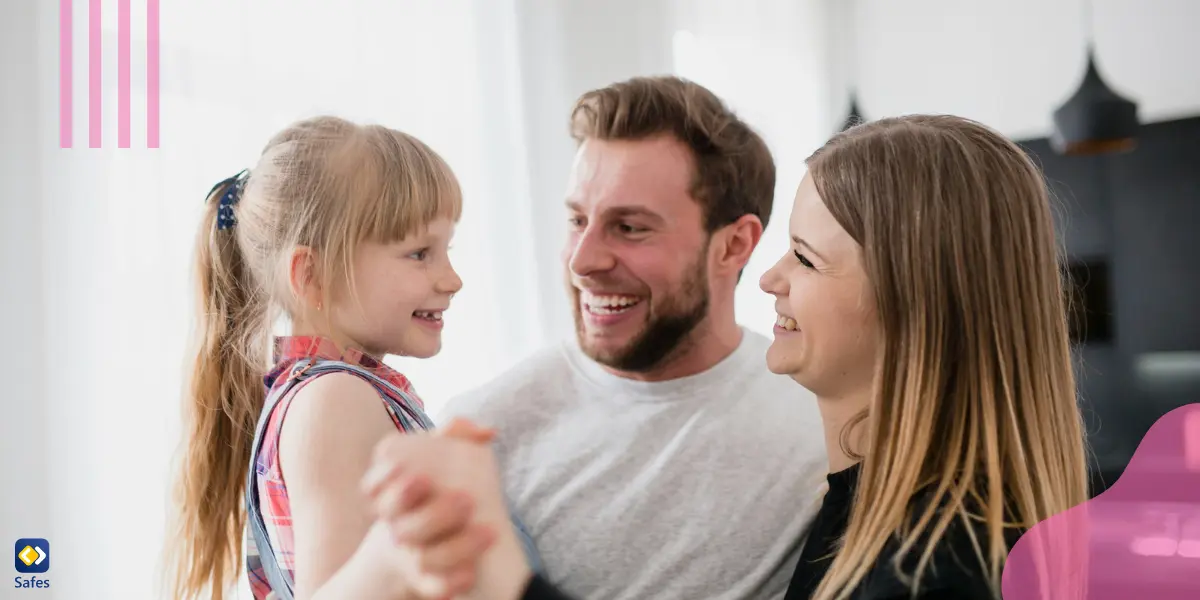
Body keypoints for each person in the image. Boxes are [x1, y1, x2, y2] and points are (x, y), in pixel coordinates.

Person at [363, 114, 1093, 600]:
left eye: (804, 258)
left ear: (915, 304)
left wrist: (499, 572)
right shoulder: (866, 511)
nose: (770, 280)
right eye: (578, 219)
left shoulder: (937, 566)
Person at [434, 75, 828, 600]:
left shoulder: (826, 429)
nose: (583, 261)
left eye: (630, 227)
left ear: (734, 246)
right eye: (578, 219)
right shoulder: (483, 433)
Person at [167, 116, 534, 600]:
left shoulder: (334, 395)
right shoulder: (334, 400)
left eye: (447, 249)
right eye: (420, 253)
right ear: (312, 275)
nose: (452, 279)